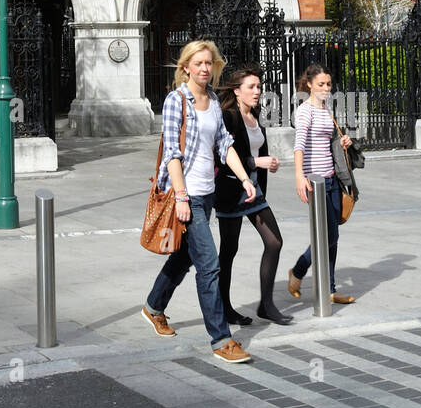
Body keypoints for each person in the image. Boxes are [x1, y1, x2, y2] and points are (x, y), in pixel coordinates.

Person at [141, 40, 257, 364]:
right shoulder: (176, 101)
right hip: (186, 194)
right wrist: (181, 197)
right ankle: (221, 339)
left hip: (207, 193)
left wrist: (246, 178)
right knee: (209, 265)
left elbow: (224, 144)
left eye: (209, 63)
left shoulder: (215, 102)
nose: (205, 68)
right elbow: (172, 155)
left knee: (183, 258)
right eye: (199, 63)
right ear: (186, 67)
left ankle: (153, 307)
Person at [215, 66, 292, 326]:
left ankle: (266, 305)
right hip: (231, 190)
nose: (257, 91)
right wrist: (255, 162)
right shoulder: (228, 117)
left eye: (259, 87)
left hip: (254, 190)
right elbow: (223, 157)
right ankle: (224, 308)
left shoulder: (254, 115)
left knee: (274, 242)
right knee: (229, 250)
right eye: (251, 87)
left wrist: (266, 164)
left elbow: (256, 151)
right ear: (237, 91)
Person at [288, 63, 355, 306]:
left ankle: (330, 289)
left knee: (332, 236)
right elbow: (299, 146)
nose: (326, 88)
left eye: (328, 84)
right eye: (321, 85)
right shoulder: (305, 111)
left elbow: (331, 140)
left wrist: (343, 140)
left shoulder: (327, 109)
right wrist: (299, 176)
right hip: (314, 181)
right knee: (327, 235)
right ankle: (298, 271)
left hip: (332, 179)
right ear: (309, 85)